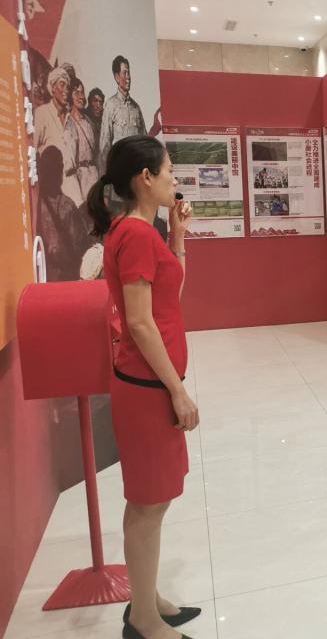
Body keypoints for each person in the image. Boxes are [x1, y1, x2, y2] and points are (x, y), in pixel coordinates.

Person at [85, 135, 201, 639]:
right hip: (148, 386)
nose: (175, 179)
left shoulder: (143, 232)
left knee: (153, 500)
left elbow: (169, 294)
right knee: (149, 504)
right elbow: (139, 322)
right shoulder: (133, 234)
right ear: (145, 178)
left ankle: (146, 599)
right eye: (169, 170)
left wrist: (178, 236)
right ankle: (144, 621)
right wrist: (177, 390)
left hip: (151, 382)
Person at [36, 145, 91, 282]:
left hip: (43, 276)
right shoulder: (67, 206)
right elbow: (81, 246)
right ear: (59, 170)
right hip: (66, 278)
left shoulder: (36, 204)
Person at [99, 55, 146, 169]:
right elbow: (104, 146)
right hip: (119, 168)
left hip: (136, 168)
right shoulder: (110, 106)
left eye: (129, 73)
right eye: (124, 73)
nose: (128, 77)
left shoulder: (136, 108)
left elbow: (145, 141)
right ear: (116, 77)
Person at [63, 77, 100, 208]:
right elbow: (69, 168)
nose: (81, 97)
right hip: (81, 180)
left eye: (82, 92)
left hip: (94, 177)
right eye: (76, 93)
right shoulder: (69, 125)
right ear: (70, 97)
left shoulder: (89, 122)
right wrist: (78, 198)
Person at [34, 66, 70, 152]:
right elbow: (33, 149)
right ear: (53, 87)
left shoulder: (69, 118)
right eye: (62, 85)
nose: (66, 90)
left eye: (67, 87)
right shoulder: (41, 113)